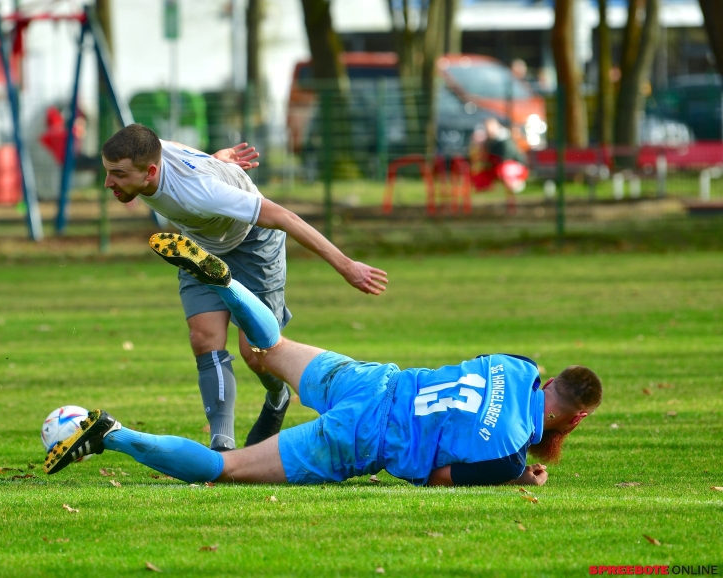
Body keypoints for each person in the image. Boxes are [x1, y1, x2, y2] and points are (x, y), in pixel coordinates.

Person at [45, 236, 602, 487]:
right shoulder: (507, 458)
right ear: (574, 418)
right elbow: (438, 478)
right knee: (227, 469)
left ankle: (230, 285)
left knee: (271, 347)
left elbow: (477, 373)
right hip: (362, 438)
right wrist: (514, 477)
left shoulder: (519, 364)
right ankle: (110, 435)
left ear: (549, 379)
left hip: (375, 380)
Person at [100, 124, 387, 452]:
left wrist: (346, 266)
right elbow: (175, 148)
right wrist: (215, 161)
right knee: (203, 338)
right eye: (108, 171)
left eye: (118, 175)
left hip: (253, 243)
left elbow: (283, 217)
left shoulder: (200, 191)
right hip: (200, 248)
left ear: (150, 171)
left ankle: (278, 397)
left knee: (260, 355)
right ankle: (221, 446)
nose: (109, 182)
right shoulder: (152, 151)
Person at [469, 117, 530, 212]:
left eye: (489, 129)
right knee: (483, 173)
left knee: (503, 169)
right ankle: (484, 187)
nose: (488, 131)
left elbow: (506, 158)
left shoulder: (505, 141)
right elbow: (487, 158)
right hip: (498, 167)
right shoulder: (490, 141)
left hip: (514, 168)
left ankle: (514, 183)